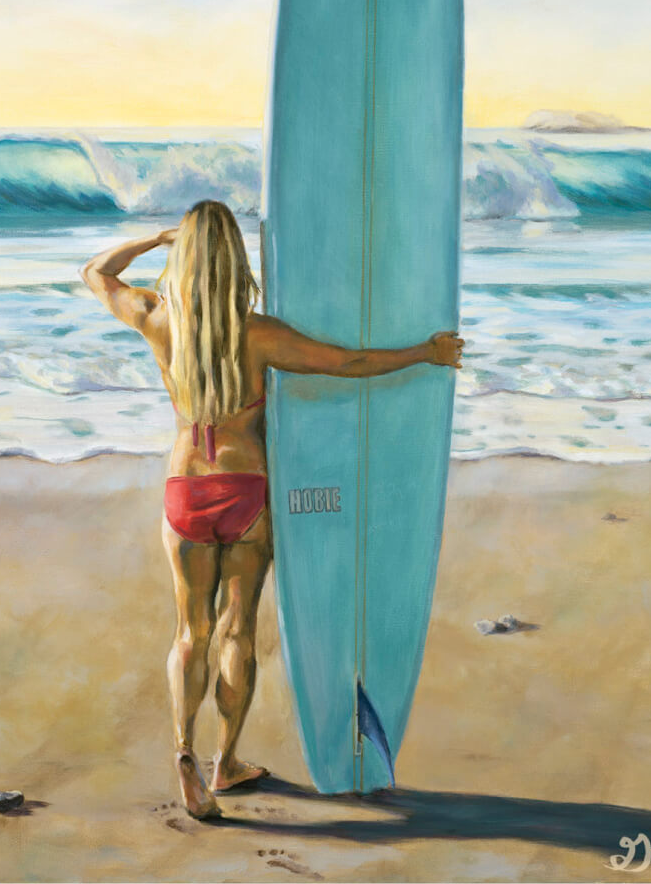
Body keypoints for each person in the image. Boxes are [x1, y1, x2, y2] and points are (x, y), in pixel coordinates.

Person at [81, 199, 463, 819]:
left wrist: (157, 238)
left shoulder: (155, 317)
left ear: (187, 256)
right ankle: (225, 763)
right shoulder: (258, 333)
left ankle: (183, 748)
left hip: (185, 491)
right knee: (236, 630)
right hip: (245, 493)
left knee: (190, 632)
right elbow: (350, 364)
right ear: (235, 258)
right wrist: (425, 352)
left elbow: (94, 273)